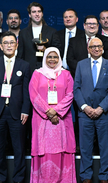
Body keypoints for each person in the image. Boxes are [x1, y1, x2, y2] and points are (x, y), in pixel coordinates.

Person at [0, 31, 31, 183]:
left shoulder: (24, 65)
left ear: (17, 45)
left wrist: (25, 110)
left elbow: (27, 90)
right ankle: (0, 179)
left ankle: (18, 179)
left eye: (12, 42)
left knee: (19, 149)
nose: (9, 45)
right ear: (0, 46)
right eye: (6, 43)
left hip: (17, 113)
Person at [29, 47, 76, 183]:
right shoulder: (37, 74)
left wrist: (56, 111)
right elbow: (33, 95)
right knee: (44, 152)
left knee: (63, 152)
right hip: (42, 120)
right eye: (49, 57)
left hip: (62, 119)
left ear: (60, 58)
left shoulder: (66, 74)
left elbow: (70, 94)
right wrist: (48, 112)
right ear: (44, 58)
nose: (52, 60)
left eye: (55, 57)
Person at [74, 38, 108, 183]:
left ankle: (104, 177)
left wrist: (101, 108)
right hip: (84, 114)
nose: (96, 49)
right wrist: (85, 107)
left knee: (105, 147)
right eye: (93, 46)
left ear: (103, 48)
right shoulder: (81, 65)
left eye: (99, 46)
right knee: (85, 147)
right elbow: (76, 89)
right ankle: (86, 176)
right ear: (88, 48)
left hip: (104, 114)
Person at [17, 2, 56, 73]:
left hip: (47, 70)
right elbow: (20, 55)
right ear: (29, 15)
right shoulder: (23, 33)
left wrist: (45, 50)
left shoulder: (52, 32)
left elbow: (57, 53)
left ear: (42, 14)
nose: (37, 14)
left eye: (39, 11)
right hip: (28, 71)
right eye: (34, 12)